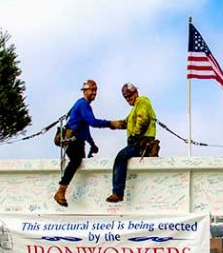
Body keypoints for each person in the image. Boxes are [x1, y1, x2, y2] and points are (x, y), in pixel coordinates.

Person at [54, 79, 122, 207]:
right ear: (85, 91)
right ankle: (60, 191)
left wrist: (92, 144)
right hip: (73, 141)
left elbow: (85, 128)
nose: (94, 93)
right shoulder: (83, 105)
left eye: (95, 90)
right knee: (75, 161)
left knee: (81, 163)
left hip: (78, 141)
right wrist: (110, 123)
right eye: (92, 90)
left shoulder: (83, 105)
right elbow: (93, 122)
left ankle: (81, 198)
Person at [106, 83, 156, 203]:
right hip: (138, 142)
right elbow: (125, 122)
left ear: (136, 93)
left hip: (142, 143)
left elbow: (142, 120)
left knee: (121, 156)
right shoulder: (135, 108)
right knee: (122, 156)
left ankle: (117, 192)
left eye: (129, 96)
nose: (128, 99)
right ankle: (117, 192)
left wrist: (134, 135)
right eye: (126, 97)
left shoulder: (142, 102)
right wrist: (110, 124)